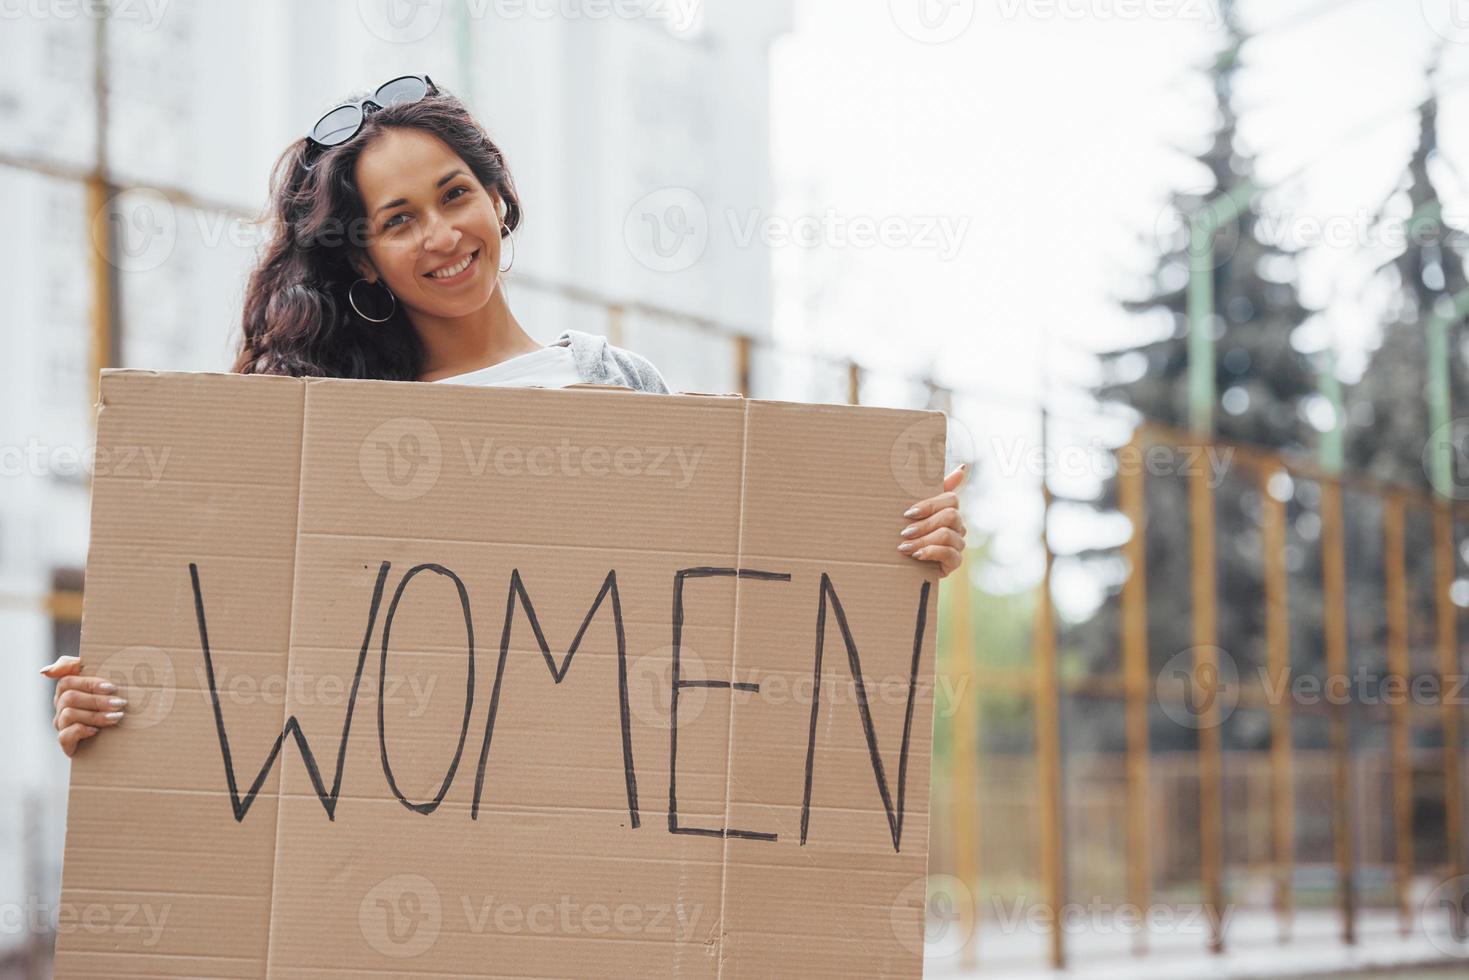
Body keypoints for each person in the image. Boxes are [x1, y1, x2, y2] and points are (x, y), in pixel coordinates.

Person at [42, 74, 968, 756]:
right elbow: (241, 656)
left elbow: (747, 581)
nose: (443, 236)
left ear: (496, 198)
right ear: (363, 261)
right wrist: (110, 707)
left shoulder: (611, 383)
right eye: (397, 220)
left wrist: (900, 540)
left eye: (454, 195)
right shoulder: (328, 432)